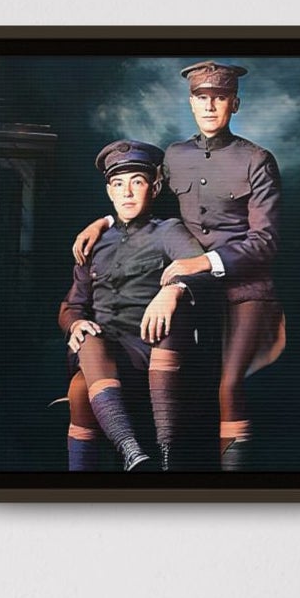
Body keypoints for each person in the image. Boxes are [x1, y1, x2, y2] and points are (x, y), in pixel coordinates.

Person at [72, 61, 283, 470]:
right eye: (201, 98)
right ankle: (160, 460)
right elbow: (144, 200)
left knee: (228, 386)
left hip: (241, 290)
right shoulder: (175, 155)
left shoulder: (257, 160)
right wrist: (105, 221)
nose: (209, 107)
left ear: (234, 104)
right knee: (160, 363)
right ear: (190, 103)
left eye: (219, 98)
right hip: (183, 281)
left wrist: (201, 263)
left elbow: (267, 242)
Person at [59, 140, 220, 472]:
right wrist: (75, 324)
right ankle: (131, 453)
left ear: (155, 187)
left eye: (137, 182)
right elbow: (72, 304)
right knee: (85, 353)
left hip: (148, 349)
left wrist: (175, 289)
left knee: (78, 389)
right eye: (118, 184)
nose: (127, 192)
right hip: (100, 352)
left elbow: (203, 272)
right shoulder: (92, 243)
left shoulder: (168, 232)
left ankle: (144, 455)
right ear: (109, 192)